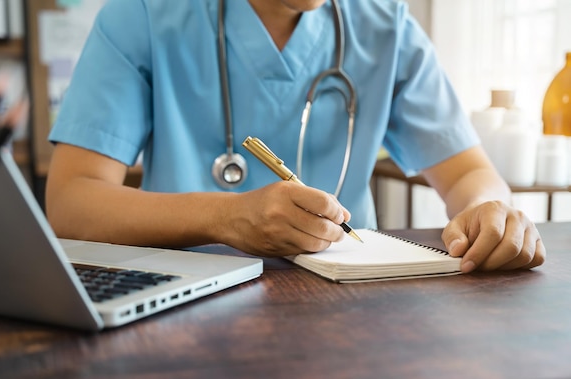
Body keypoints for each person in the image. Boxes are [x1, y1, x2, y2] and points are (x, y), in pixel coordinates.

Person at [45, 0, 545, 273]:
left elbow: (470, 173)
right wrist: (225, 218)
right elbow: (71, 201)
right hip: (180, 299)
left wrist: (489, 211)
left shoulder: (386, 24)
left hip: (355, 305)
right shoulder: (143, 15)